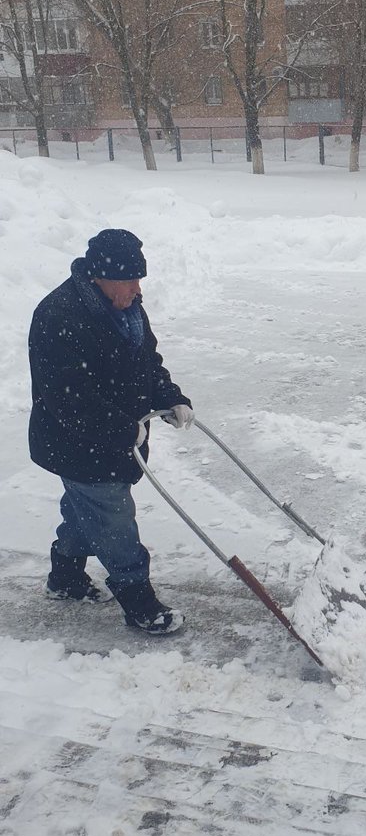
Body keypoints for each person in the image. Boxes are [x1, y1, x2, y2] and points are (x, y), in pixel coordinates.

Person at [28, 228, 194, 636]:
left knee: (85, 511)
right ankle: (139, 603)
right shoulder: (58, 316)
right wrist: (122, 430)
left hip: (117, 438)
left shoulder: (128, 308)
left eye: (140, 280)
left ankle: (64, 578)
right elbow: (69, 398)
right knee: (113, 519)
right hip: (77, 443)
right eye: (131, 280)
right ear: (100, 276)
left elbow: (147, 361)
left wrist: (170, 397)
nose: (138, 290)